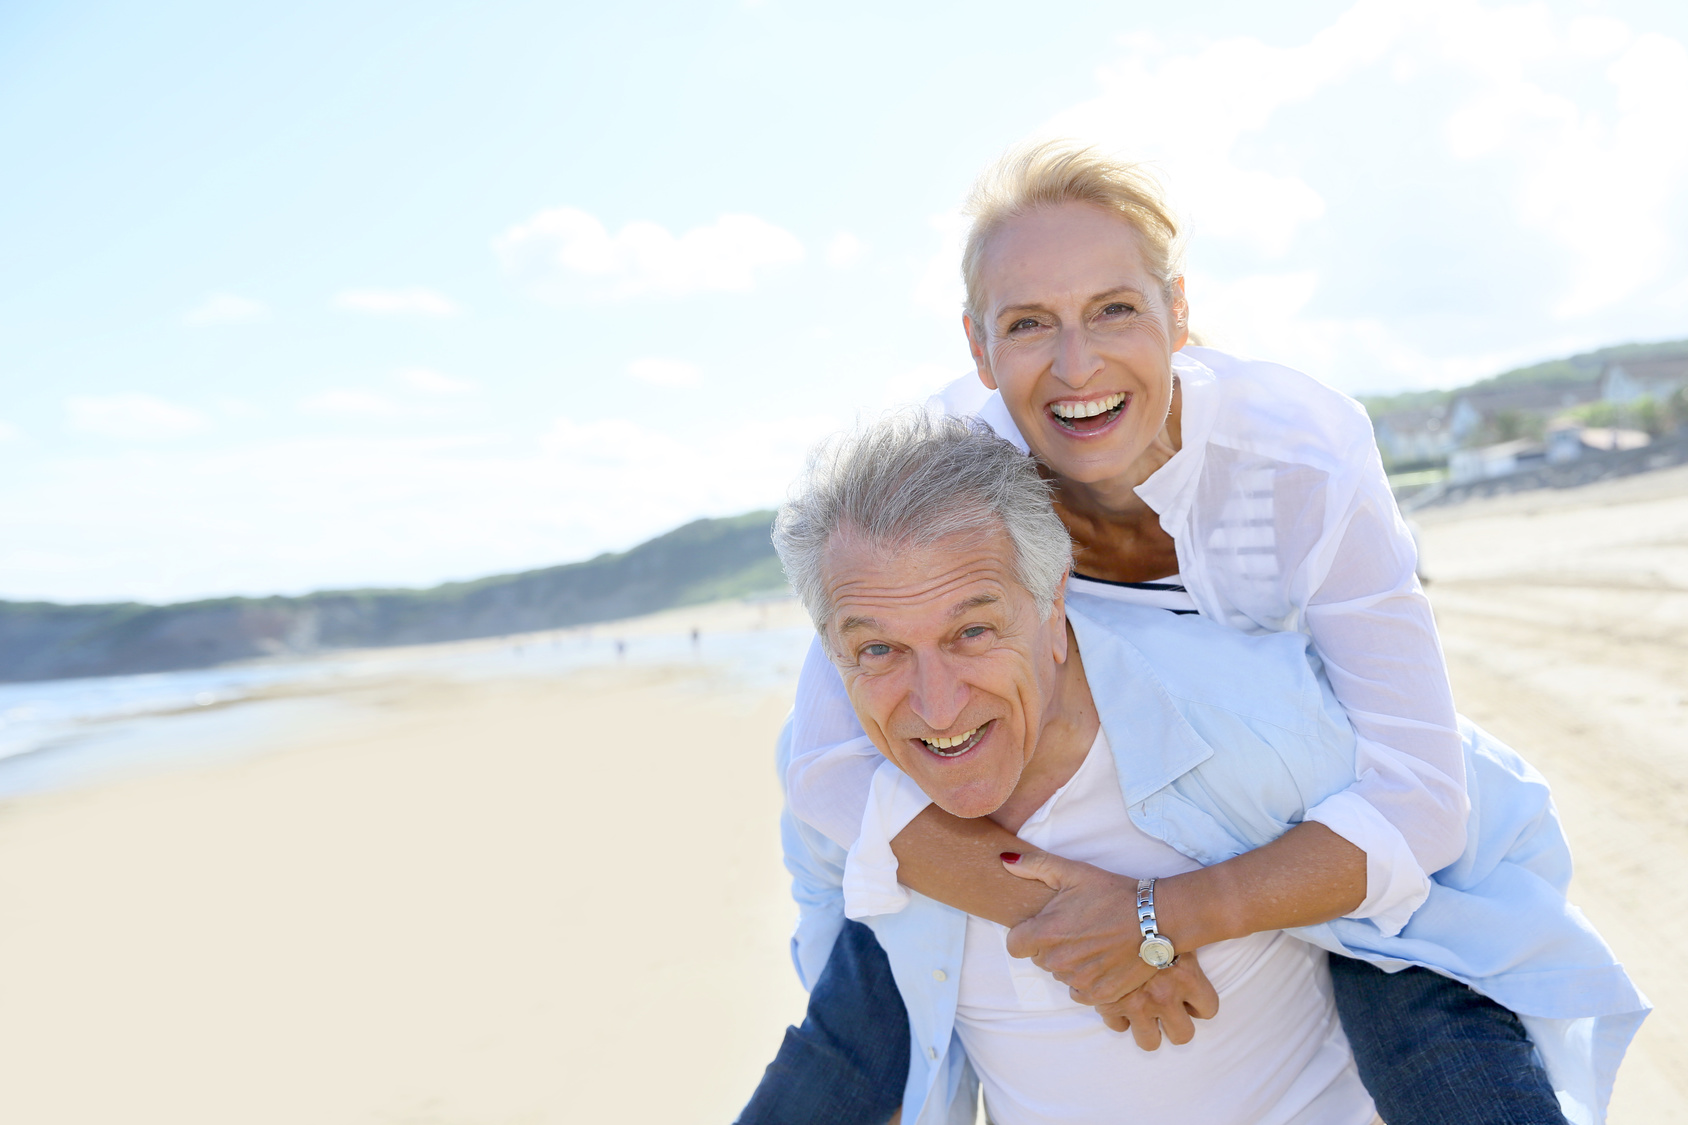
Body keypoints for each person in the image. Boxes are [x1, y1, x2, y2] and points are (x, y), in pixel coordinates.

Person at [743, 141, 1638, 1125]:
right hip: (1050, 736)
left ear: (1177, 311)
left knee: (1392, 913)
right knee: (894, 833)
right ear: (976, 346)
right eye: (1028, 323)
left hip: (1273, 751)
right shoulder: (953, 474)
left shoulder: (1296, 456)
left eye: (1113, 309)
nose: (1074, 364)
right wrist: (1059, 917)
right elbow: (825, 759)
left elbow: (1421, 795)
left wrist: (1152, 920)